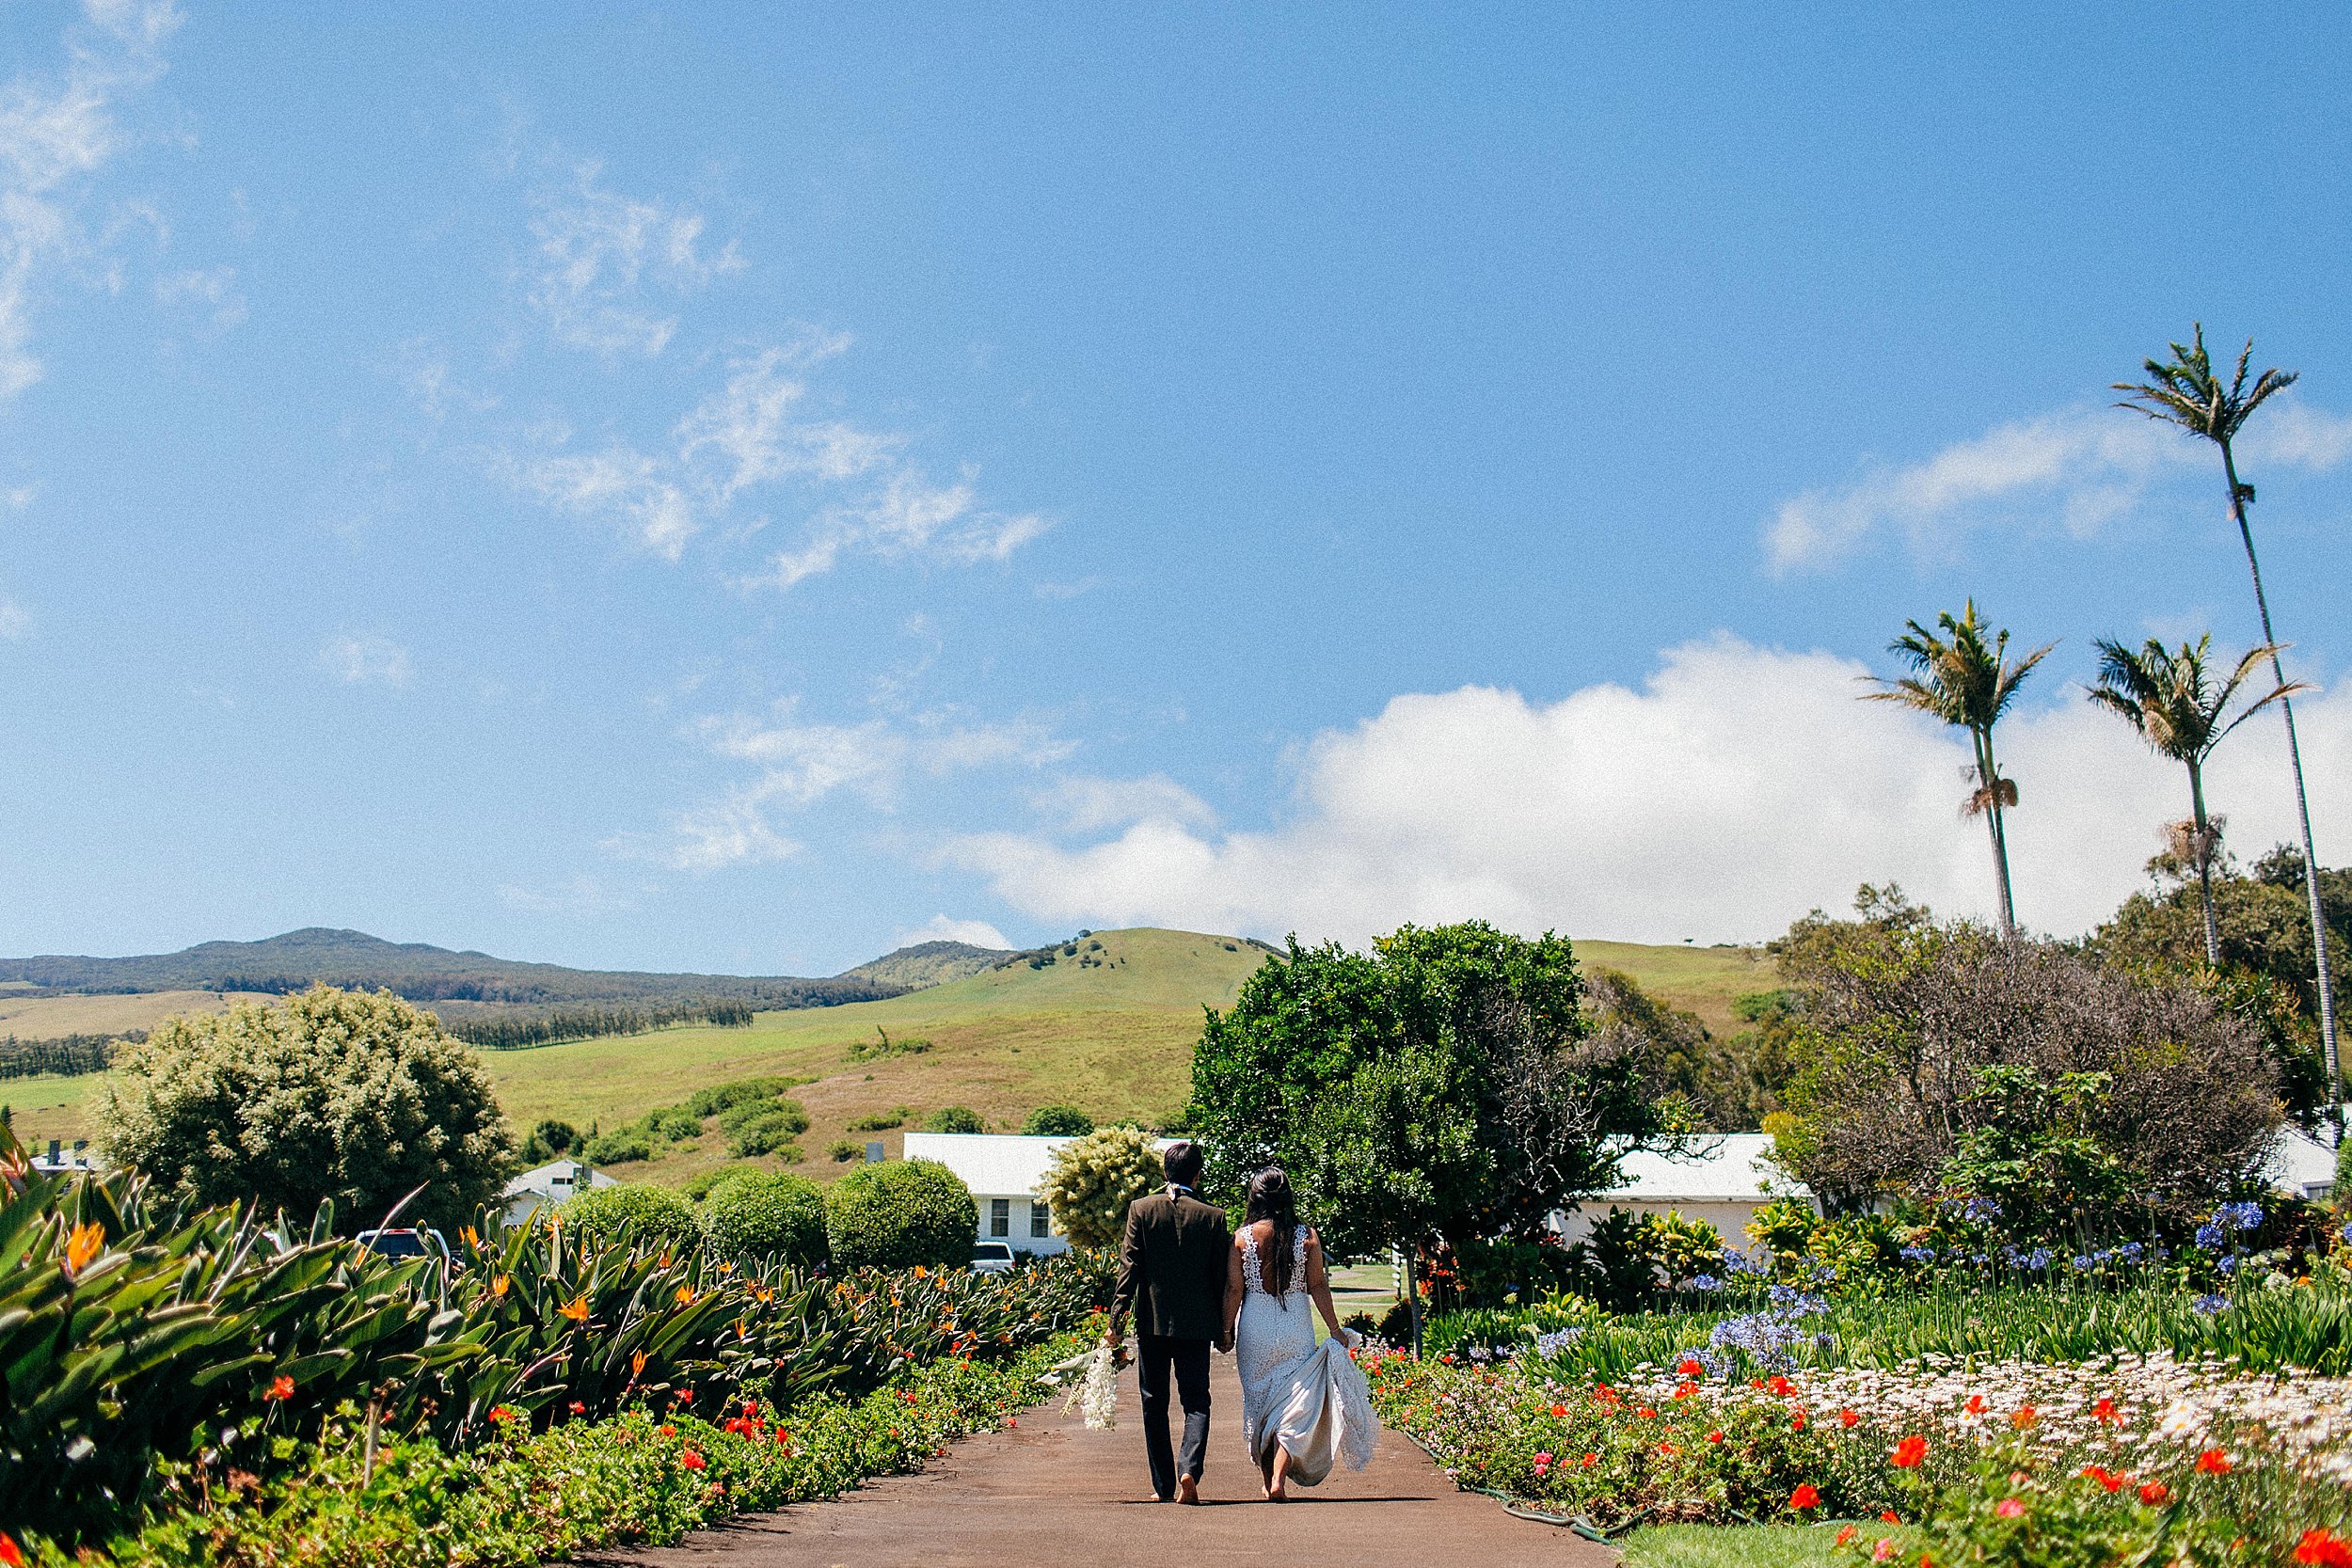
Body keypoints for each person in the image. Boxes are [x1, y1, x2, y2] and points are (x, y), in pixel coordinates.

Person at [1221, 1165, 1376, 1500]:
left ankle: (1267, 1482)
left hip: (1256, 1327)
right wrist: (1334, 1329)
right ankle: (1279, 1475)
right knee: (1294, 1403)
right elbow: (1318, 1285)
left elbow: (1234, 1290)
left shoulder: (1242, 1238)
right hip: (1296, 1325)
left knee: (1260, 1403)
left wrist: (1225, 1330)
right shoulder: (1306, 1236)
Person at [1104, 1139, 1231, 1504]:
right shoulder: (1213, 1216)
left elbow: (1130, 1266)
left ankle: (1162, 1485)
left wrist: (1116, 1319)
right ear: (1198, 1174)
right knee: (1196, 1401)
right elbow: (1221, 1278)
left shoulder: (1141, 1209)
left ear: (1164, 1172)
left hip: (1153, 1323)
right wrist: (1226, 1328)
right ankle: (1189, 1468)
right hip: (1196, 1324)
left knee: (1153, 1401)